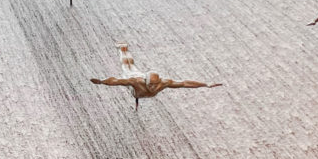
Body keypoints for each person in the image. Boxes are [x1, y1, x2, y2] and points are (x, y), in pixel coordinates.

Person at [90, 43, 221, 110]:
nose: (153, 87)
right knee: (127, 65)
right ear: (145, 80)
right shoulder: (135, 81)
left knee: (132, 64)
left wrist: (206, 85)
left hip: (139, 78)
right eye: (150, 84)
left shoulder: (164, 83)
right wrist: (101, 81)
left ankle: (125, 49)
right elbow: (116, 81)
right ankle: (122, 49)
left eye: (155, 84)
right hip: (134, 78)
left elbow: (184, 83)